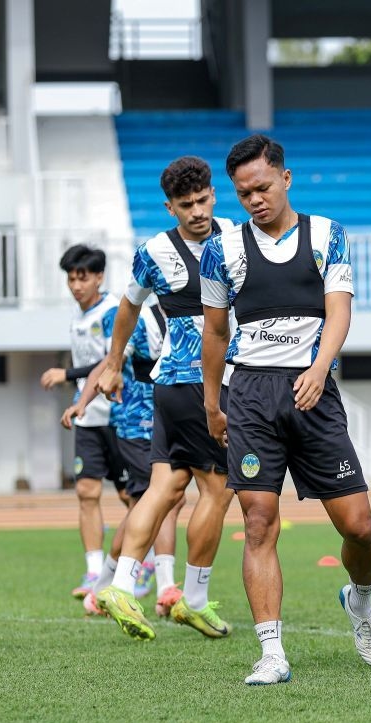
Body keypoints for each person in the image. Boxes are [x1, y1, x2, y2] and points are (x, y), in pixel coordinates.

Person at [200, 134, 371, 686]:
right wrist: (212, 402)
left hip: (314, 391)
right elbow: (214, 331)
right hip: (251, 394)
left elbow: (339, 314)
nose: (254, 199)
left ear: (285, 178)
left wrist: (319, 366)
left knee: (359, 528)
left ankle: (360, 599)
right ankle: (272, 652)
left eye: (261, 187)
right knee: (258, 522)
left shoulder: (328, 234)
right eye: (242, 193)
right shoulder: (222, 248)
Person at [93, 155, 238, 641]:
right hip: (201, 384)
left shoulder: (237, 236)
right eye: (185, 205)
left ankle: (120, 584)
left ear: (213, 195)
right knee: (218, 491)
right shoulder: (157, 250)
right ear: (169, 207)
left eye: (202, 200)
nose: (196, 211)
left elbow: (131, 308)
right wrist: (112, 363)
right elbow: (127, 309)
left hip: (170, 386)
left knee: (167, 488)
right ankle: (192, 599)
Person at [65, 296, 186, 617]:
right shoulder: (140, 319)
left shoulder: (189, 315)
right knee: (163, 499)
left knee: (143, 506)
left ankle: (101, 588)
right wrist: (83, 401)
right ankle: (164, 589)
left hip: (169, 423)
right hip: (136, 426)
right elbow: (110, 362)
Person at [39, 245, 134, 602]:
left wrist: (67, 373)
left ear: (99, 277)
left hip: (118, 415)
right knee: (86, 492)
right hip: (88, 418)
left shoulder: (111, 312)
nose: (77, 285)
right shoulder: (78, 316)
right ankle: (95, 569)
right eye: (72, 278)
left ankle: (141, 564)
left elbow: (112, 360)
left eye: (84, 277)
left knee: (130, 496)